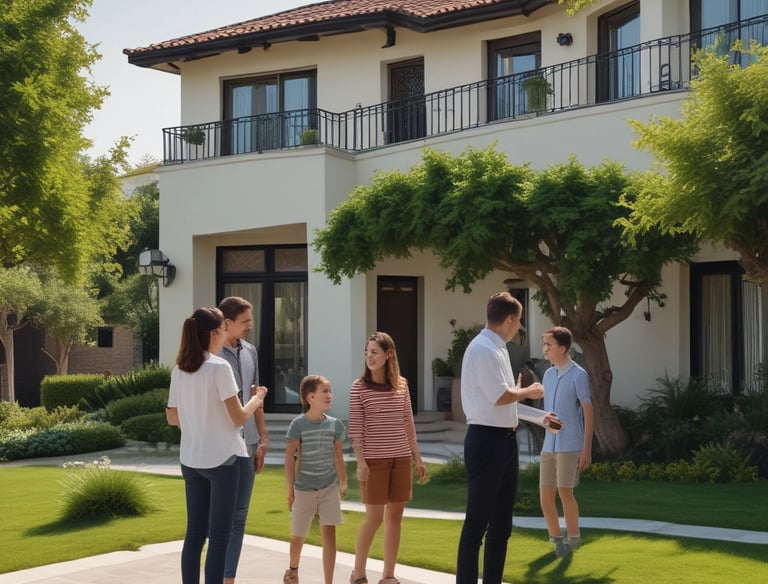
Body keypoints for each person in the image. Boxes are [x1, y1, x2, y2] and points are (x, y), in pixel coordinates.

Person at [456, 292, 555, 584]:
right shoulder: (484, 349)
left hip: (504, 441)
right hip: (486, 442)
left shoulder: (497, 349)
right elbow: (501, 396)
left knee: (501, 525)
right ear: (510, 319)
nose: (519, 326)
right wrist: (530, 391)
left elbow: (504, 400)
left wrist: (541, 418)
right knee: (477, 523)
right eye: (519, 320)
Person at [166, 307, 268, 584]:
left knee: (195, 533)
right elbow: (238, 417)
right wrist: (257, 399)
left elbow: (172, 417)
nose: (226, 334)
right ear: (214, 333)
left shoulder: (180, 369)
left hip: (190, 460)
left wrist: (198, 418)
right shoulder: (219, 367)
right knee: (220, 535)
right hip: (223, 460)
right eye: (223, 329)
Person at [349, 332, 428, 584]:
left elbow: (408, 423)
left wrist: (418, 458)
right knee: (373, 519)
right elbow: (356, 430)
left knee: (395, 517)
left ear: (388, 354)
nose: (369, 357)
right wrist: (360, 462)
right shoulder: (358, 388)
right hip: (373, 461)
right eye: (367, 352)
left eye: (374, 352)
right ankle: (358, 573)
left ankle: (388, 576)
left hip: (401, 459)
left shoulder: (402, 385)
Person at [217, 296, 270, 584]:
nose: (250, 325)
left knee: (239, 515)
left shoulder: (250, 351)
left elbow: (256, 397)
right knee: (219, 517)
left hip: (247, 442)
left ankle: (229, 579)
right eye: (245, 321)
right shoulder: (210, 356)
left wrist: (262, 439)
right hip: (222, 444)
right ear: (227, 323)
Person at [283, 375, 348, 584]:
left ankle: (329, 581)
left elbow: (338, 456)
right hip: (304, 489)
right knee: (298, 536)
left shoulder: (336, 426)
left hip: (329, 487)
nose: (329, 395)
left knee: (329, 533)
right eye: (324, 391)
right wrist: (290, 488)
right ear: (310, 397)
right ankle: (293, 569)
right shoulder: (297, 425)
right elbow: (289, 459)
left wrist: (343, 482)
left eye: (330, 391)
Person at [539, 326, 594, 557]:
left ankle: (573, 541)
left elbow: (588, 412)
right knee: (545, 496)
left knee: (565, 492)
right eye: (544, 344)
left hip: (570, 445)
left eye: (548, 345)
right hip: (548, 445)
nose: (544, 349)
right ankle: (557, 541)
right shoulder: (548, 375)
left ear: (562, 348)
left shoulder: (579, 375)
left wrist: (586, 449)